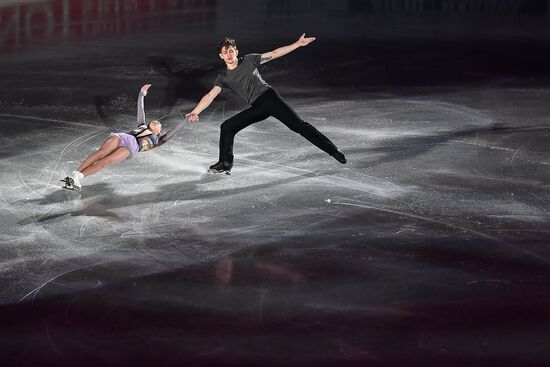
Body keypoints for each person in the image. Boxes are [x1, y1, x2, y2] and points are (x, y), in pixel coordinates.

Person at [185, 34, 346, 175]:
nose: (229, 54)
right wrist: (195, 111)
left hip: (270, 99)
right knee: (227, 127)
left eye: (231, 50)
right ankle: (225, 164)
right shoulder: (223, 77)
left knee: (299, 126)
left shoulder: (249, 60)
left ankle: (334, 151)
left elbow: (275, 53)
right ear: (221, 56)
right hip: (257, 107)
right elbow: (210, 95)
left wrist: (297, 44)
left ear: (237, 52)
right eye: (225, 52)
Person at [63, 84, 183, 190]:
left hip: (130, 149)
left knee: (105, 162)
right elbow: (140, 110)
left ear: (159, 131)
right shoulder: (142, 125)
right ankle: (76, 174)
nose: (156, 122)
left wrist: (186, 120)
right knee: (101, 152)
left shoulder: (158, 140)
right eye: (155, 121)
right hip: (122, 137)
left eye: (159, 124)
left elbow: (172, 132)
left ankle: (79, 177)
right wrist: (141, 95)